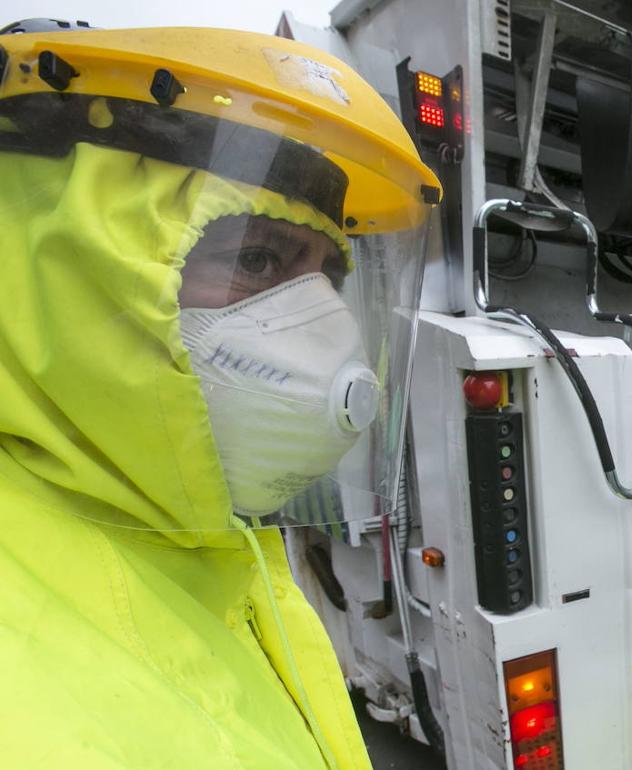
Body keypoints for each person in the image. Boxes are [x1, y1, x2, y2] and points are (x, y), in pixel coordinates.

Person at [0, 23, 441, 768]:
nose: (326, 343)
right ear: (64, 268)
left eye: (326, 281)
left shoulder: (221, 553)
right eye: (255, 257)